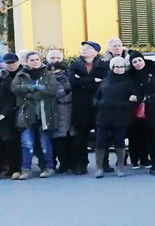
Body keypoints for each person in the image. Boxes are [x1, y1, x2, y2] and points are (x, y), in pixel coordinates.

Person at [11, 51, 59, 180]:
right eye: (32, 60)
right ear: (27, 62)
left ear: (40, 60)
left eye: (37, 59)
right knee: (26, 143)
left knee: (45, 143)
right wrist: (33, 88)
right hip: (26, 114)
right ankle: (26, 170)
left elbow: (51, 90)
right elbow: (15, 89)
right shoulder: (21, 74)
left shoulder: (48, 74)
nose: (35, 62)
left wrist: (29, 95)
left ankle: (49, 168)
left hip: (45, 114)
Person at [92, 56, 137, 178]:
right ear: (112, 68)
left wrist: (126, 104)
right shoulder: (105, 81)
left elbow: (135, 99)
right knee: (100, 141)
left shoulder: (129, 82)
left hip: (121, 117)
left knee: (119, 142)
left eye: (122, 66)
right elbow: (96, 97)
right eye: (116, 66)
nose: (119, 69)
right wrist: (98, 103)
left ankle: (120, 167)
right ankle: (99, 168)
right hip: (103, 117)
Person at [67, 41, 108, 175]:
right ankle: (82, 164)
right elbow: (73, 82)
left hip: (98, 105)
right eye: (83, 48)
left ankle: (104, 163)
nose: (84, 50)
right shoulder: (75, 65)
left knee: (101, 136)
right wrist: (93, 80)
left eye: (88, 48)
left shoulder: (103, 65)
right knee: (80, 138)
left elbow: (104, 82)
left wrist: (82, 81)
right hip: (80, 106)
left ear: (96, 52)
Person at [45, 50, 74, 174]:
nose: (55, 60)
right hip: (55, 111)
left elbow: (74, 92)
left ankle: (73, 163)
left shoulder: (70, 75)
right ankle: (62, 163)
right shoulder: (46, 76)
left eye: (57, 57)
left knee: (72, 138)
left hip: (71, 110)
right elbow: (51, 94)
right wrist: (65, 92)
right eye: (52, 57)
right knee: (58, 140)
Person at [0, 53, 22, 176]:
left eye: (12, 62)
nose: (10, 65)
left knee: (10, 142)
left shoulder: (18, 75)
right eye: (8, 63)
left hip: (11, 114)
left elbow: (12, 98)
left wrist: (4, 113)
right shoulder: (4, 76)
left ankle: (15, 169)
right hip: (5, 113)